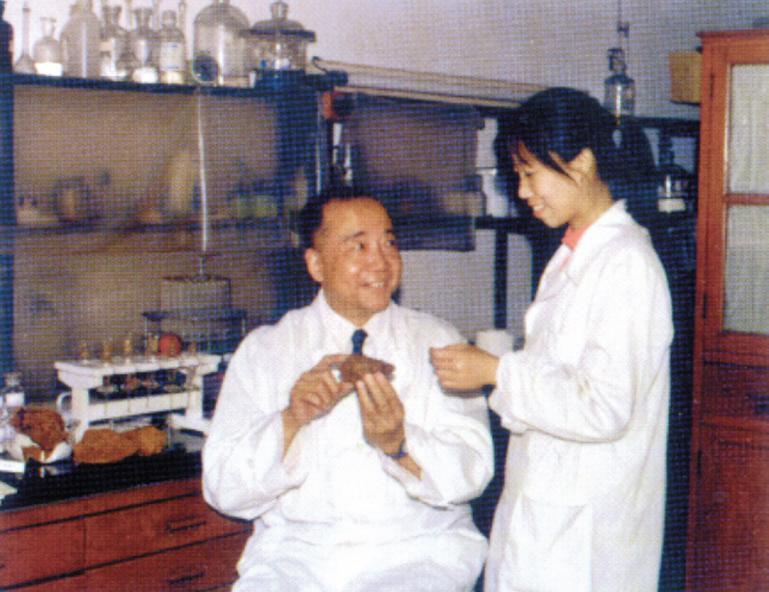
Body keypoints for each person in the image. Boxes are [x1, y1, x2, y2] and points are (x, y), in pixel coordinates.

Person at [430, 87, 673, 592]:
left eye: (529, 173)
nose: (523, 191)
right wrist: (502, 371)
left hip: (586, 530)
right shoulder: (572, 256)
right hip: (547, 510)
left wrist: (498, 371)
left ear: (580, 162)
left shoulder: (627, 263)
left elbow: (604, 407)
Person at [203, 186, 493, 592]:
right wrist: (291, 420)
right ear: (316, 264)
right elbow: (224, 489)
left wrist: (400, 445)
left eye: (389, 243)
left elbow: (473, 473)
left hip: (417, 554)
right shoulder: (266, 350)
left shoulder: (438, 343)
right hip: (297, 559)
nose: (381, 261)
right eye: (359, 246)